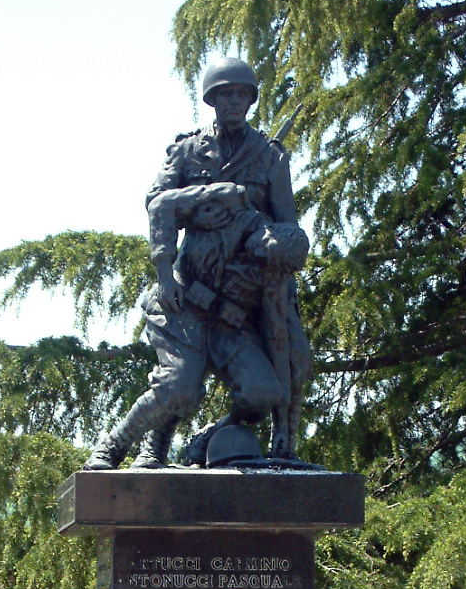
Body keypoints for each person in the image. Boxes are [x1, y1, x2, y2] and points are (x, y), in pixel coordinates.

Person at [83, 57, 311, 470]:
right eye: (225, 94)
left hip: (234, 309)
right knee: (179, 387)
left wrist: (261, 245)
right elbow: (157, 205)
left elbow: (286, 227)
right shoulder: (188, 150)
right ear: (212, 99)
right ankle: (114, 446)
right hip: (187, 295)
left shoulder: (270, 157)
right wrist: (166, 268)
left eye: (241, 94)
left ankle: (208, 436)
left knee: (264, 391)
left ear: (250, 99)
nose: (233, 102)